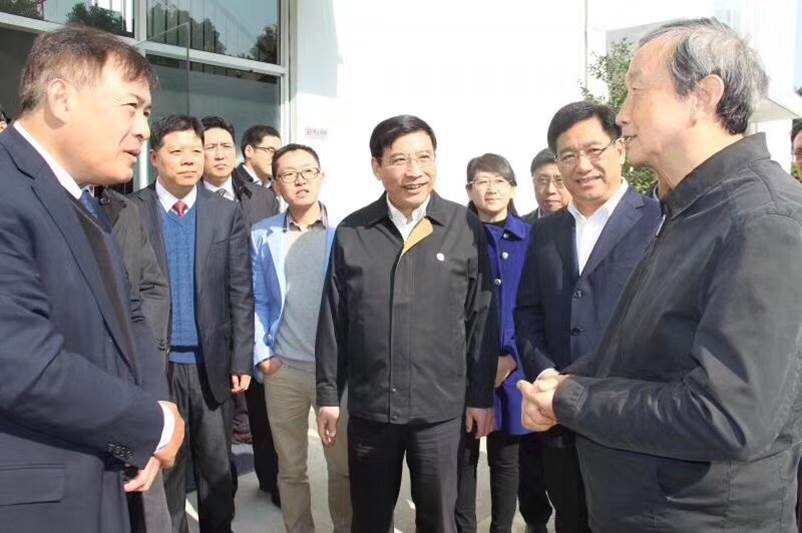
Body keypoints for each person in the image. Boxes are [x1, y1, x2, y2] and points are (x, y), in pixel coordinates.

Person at [519, 18, 802, 532]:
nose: (622, 115)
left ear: (703, 97)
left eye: (636, 91)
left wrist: (573, 398)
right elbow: (648, 351)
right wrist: (568, 381)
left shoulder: (763, 221)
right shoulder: (689, 209)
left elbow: (727, 415)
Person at [0, 26, 183, 532]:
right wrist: (152, 425)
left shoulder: (83, 200)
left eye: (147, 112)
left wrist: (158, 406)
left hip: (105, 482)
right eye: (132, 107)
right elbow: (20, 362)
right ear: (62, 98)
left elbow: (130, 313)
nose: (145, 130)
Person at [316, 114, 498, 533]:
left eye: (424, 157)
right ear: (377, 166)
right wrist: (328, 394)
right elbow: (334, 318)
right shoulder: (353, 231)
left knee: (439, 519)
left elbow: (482, 318)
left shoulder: (464, 227)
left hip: (440, 412)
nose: (414, 171)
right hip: (371, 409)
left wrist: (480, 396)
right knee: (370, 518)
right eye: (399, 160)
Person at [515, 101, 661, 532]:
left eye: (594, 150)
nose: (582, 165)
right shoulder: (545, 231)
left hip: (629, 422)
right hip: (560, 422)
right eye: (568, 155)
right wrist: (547, 378)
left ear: (620, 149)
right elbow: (528, 312)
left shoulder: (659, 221)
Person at [132, 114, 254, 533]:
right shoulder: (131, 211)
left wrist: (241, 356)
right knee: (167, 470)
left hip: (210, 366)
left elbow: (240, 289)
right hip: (158, 367)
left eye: (196, 151)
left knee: (217, 472)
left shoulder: (225, 212)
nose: (190, 160)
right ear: (155, 157)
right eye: (178, 151)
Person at [252, 143, 351, 533]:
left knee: (341, 467)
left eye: (308, 171)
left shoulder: (346, 231)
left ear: (322, 177)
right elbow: (257, 298)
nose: (300, 180)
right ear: (276, 184)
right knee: (290, 468)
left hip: (335, 372)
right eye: (289, 174)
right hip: (285, 370)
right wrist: (264, 355)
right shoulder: (262, 234)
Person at [455, 154, 550, 533]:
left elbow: (536, 306)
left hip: (513, 368)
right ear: (469, 190)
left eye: (499, 181)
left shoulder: (532, 238)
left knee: (508, 459)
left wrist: (511, 357)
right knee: (463, 458)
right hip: (462, 367)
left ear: (512, 188)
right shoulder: (456, 236)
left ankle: (501, 527)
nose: (490, 189)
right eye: (481, 181)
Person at [200, 116, 281, 503]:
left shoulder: (261, 197)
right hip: (213, 317)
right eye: (209, 147)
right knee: (219, 410)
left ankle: (270, 478)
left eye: (224, 147)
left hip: (255, 313)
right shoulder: (191, 200)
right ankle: (221, 487)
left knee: (263, 406)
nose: (218, 155)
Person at [99, 186, 173, 533]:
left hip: (134, 377)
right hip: (76, 386)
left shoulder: (124, 209)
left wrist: (141, 353)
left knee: (147, 500)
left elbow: (152, 288)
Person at [237, 124, 283, 211]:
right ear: (249, 151)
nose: (276, 157)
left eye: (279, 153)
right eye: (270, 150)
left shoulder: (276, 187)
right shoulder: (233, 182)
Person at [522, 149, 572, 223]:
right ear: (533, 183)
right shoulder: (519, 227)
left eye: (559, 180)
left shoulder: (587, 225)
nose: (550, 190)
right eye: (543, 180)